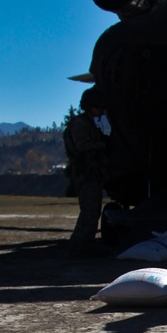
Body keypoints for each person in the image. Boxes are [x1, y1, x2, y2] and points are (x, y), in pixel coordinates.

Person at [64, 87, 110, 254]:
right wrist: (102, 145)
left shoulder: (90, 123)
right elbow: (83, 146)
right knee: (89, 211)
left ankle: (83, 244)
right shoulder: (80, 123)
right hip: (85, 172)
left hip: (91, 172)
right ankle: (79, 246)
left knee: (93, 210)